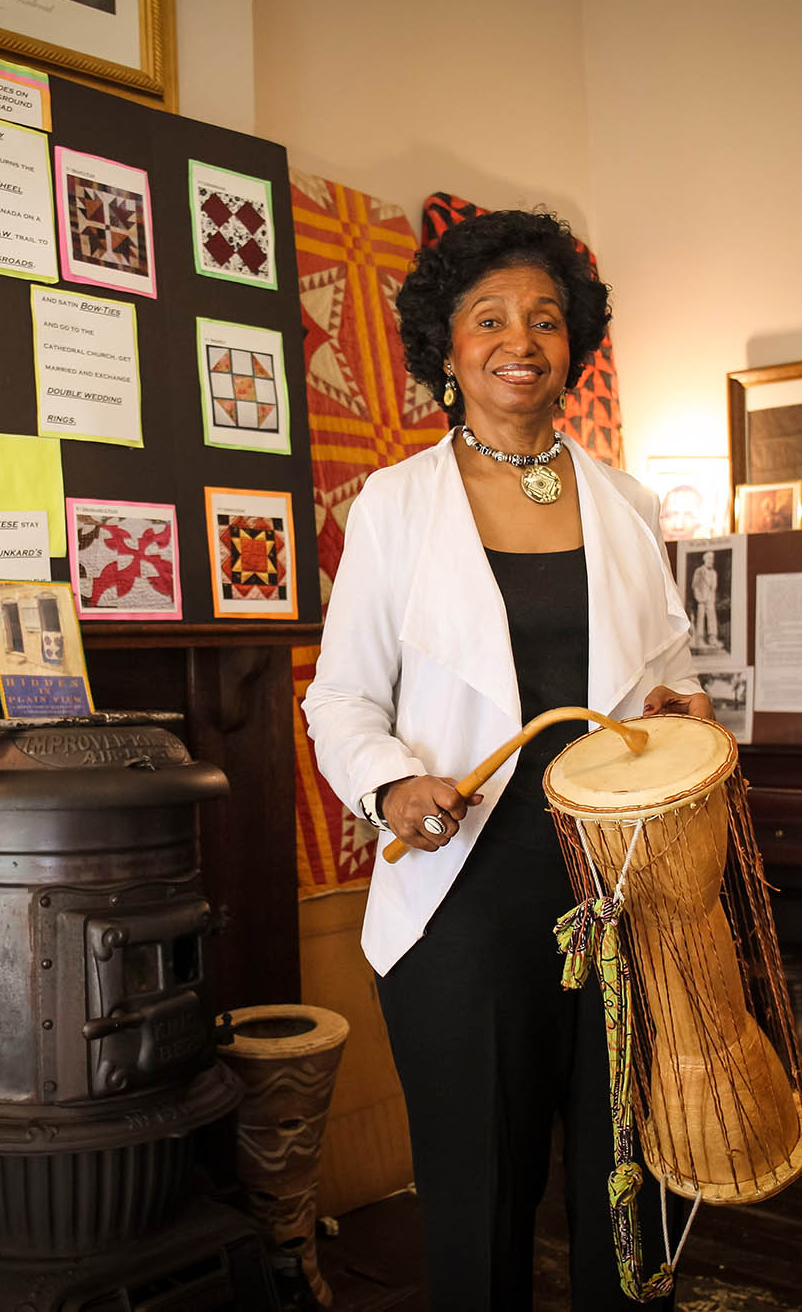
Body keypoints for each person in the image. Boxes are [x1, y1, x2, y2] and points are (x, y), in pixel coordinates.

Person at [303, 209, 709, 1310]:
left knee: (633, 1188)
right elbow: (338, 695)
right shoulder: (395, 506)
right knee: (479, 1195)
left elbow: (667, 677)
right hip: (462, 899)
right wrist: (391, 784)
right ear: (446, 346)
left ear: (571, 343)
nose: (517, 340)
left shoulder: (624, 503)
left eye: (542, 318)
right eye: (487, 318)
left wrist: (681, 708)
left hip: (621, 891)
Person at [691, 550, 720, 648]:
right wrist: (699, 598)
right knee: (701, 618)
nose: (712, 561)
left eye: (713, 559)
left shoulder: (714, 573)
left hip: (710, 599)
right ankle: (700, 639)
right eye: (710, 558)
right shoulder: (699, 571)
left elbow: (714, 587)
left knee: (712, 618)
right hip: (701, 599)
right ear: (705, 559)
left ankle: (712, 638)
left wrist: (711, 597)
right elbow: (695, 585)